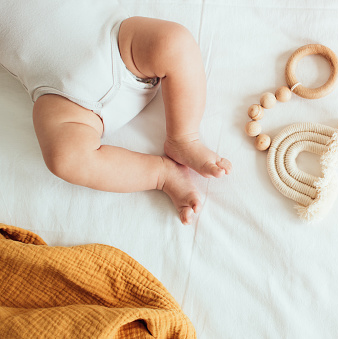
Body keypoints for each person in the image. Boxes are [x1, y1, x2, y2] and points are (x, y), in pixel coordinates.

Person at [0, 1, 232, 225]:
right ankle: (161, 174)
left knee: (174, 42)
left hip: (118, 44)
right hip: (61, 97)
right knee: (64, 158)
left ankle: (184, 138)